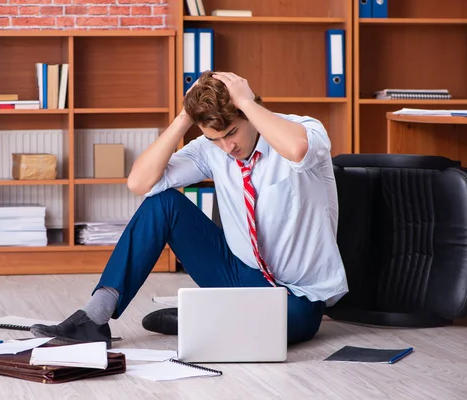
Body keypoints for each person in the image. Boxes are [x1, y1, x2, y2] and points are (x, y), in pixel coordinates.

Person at [30, 70, 349, 348]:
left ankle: (205, 318)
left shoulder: (302, 130)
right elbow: (140, 183)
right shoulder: (213, 150)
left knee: (274, 327)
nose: (228, 147)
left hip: (299, 296)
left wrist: (247, 102)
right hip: (239, 276)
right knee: (162, 202)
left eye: (232, 133)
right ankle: (94, 317)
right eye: (215, 139)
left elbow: (298, 149)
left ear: (248, 114)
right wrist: (185, 114)